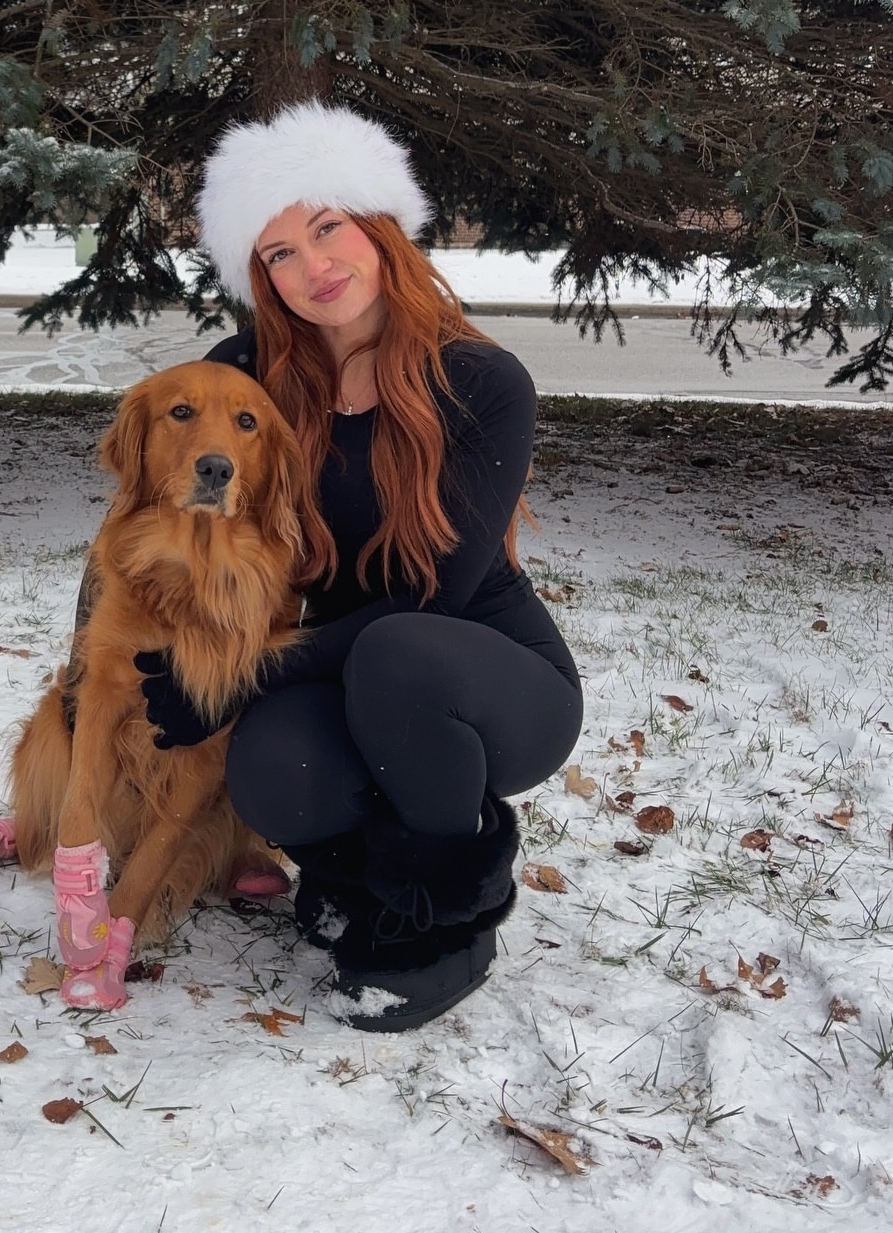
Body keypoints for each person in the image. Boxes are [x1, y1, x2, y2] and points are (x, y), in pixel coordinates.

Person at [134, 100, 583, 1031]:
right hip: (330, 667)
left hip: (480, 680)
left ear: (378, 226)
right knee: (274, 770)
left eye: (327, 227)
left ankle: (444, 925)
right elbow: (164, 502)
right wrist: (155, 652)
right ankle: (357, 882)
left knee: (400, 656)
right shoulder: (245, 376)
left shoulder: (482, 384)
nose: (314, 267)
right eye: (279, 253)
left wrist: (247, 674)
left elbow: (429, 600)